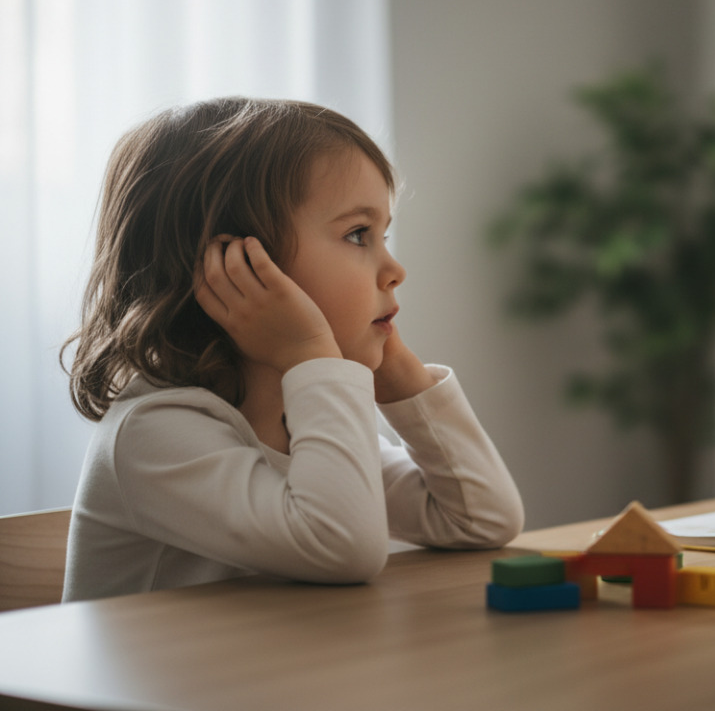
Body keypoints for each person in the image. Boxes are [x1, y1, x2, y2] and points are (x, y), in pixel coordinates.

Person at [61, 98, 525, 601]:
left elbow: (481, 519)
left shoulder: (302, 423)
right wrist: (315, 359)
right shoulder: (153, 433)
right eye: (357, 234)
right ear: (237, 266)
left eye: (383, 234)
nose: (395, 269)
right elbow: (343, 548)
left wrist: (399, 376)